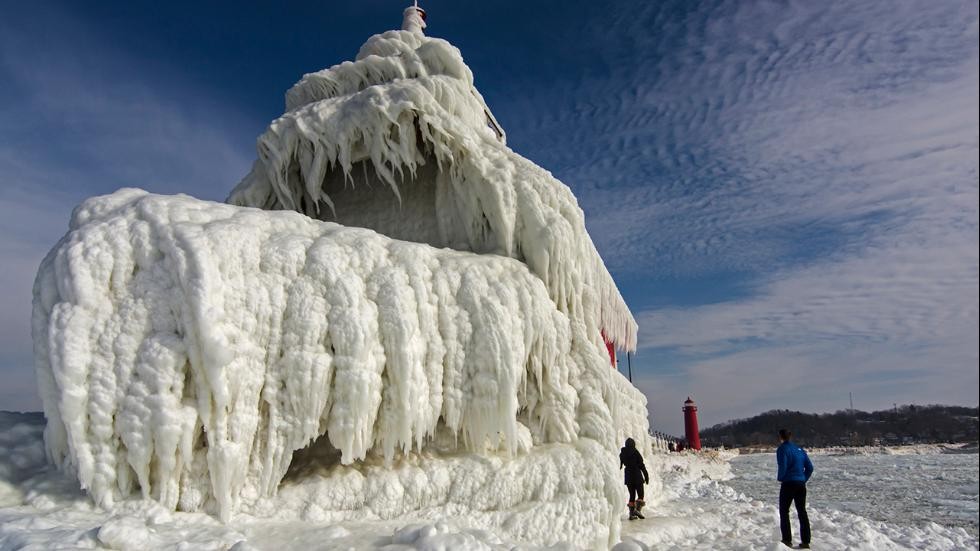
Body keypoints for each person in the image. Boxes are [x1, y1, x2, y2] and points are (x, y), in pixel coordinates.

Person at [776, 429, 813, 548]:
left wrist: (781, 478)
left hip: (788, 483)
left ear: (780, 437)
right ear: (790, 436)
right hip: (801, 484)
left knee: (784, 511)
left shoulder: (782, 449)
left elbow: (783, 466)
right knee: (802, 511)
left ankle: (787, 540)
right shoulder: (800, 450)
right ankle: (806, 542)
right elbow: (810, 468)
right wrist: (803, 479)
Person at [619, 437, 649, 520]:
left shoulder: (622, 453)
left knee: (632, 495)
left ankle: (631, 514)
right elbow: (641, 465)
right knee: (641, 494)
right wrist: (646, 476)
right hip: (637, 475)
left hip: (628, 476)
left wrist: (621, 465)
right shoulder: (635, 452)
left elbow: (621, 462)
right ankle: (638, 510)